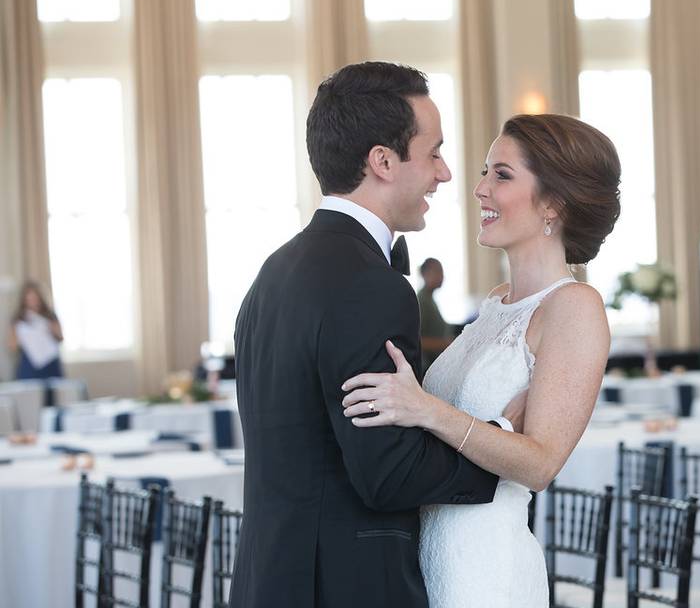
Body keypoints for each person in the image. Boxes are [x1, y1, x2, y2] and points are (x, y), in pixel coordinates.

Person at [229, 62, 521, 608]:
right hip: (345, 585)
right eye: (433, 152)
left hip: (270, 580)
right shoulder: (371, 286)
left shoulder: (274, 271)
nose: (446, 173)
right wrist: (500, 438)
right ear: (382, 161)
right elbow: (387, 475)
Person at [342, 113, 621, 606]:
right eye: (485, 171)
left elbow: (539, 465)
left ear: (553, 202)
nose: (480, 189)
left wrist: (427, 410)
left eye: (502, 175)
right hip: (428, 561)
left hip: (487, 573)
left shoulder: (576, 307)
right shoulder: (496, 302)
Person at [7, 280, 64, 383]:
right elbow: (12, 346)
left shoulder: (50, 316)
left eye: (35, 297)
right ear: (24, 299)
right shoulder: (18, 319)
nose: (33, 301)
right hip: (29, 365)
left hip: (50, 364)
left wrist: (51, 329)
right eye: (29, 298)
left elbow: (60, 338)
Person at [417, 257, 453, 370]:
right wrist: (446, 344)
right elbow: (418, 341)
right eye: (437, 271)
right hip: (428, 366)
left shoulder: (430, 299)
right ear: (424, 274)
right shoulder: (421, 301)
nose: (442, 276)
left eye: (442, 272)